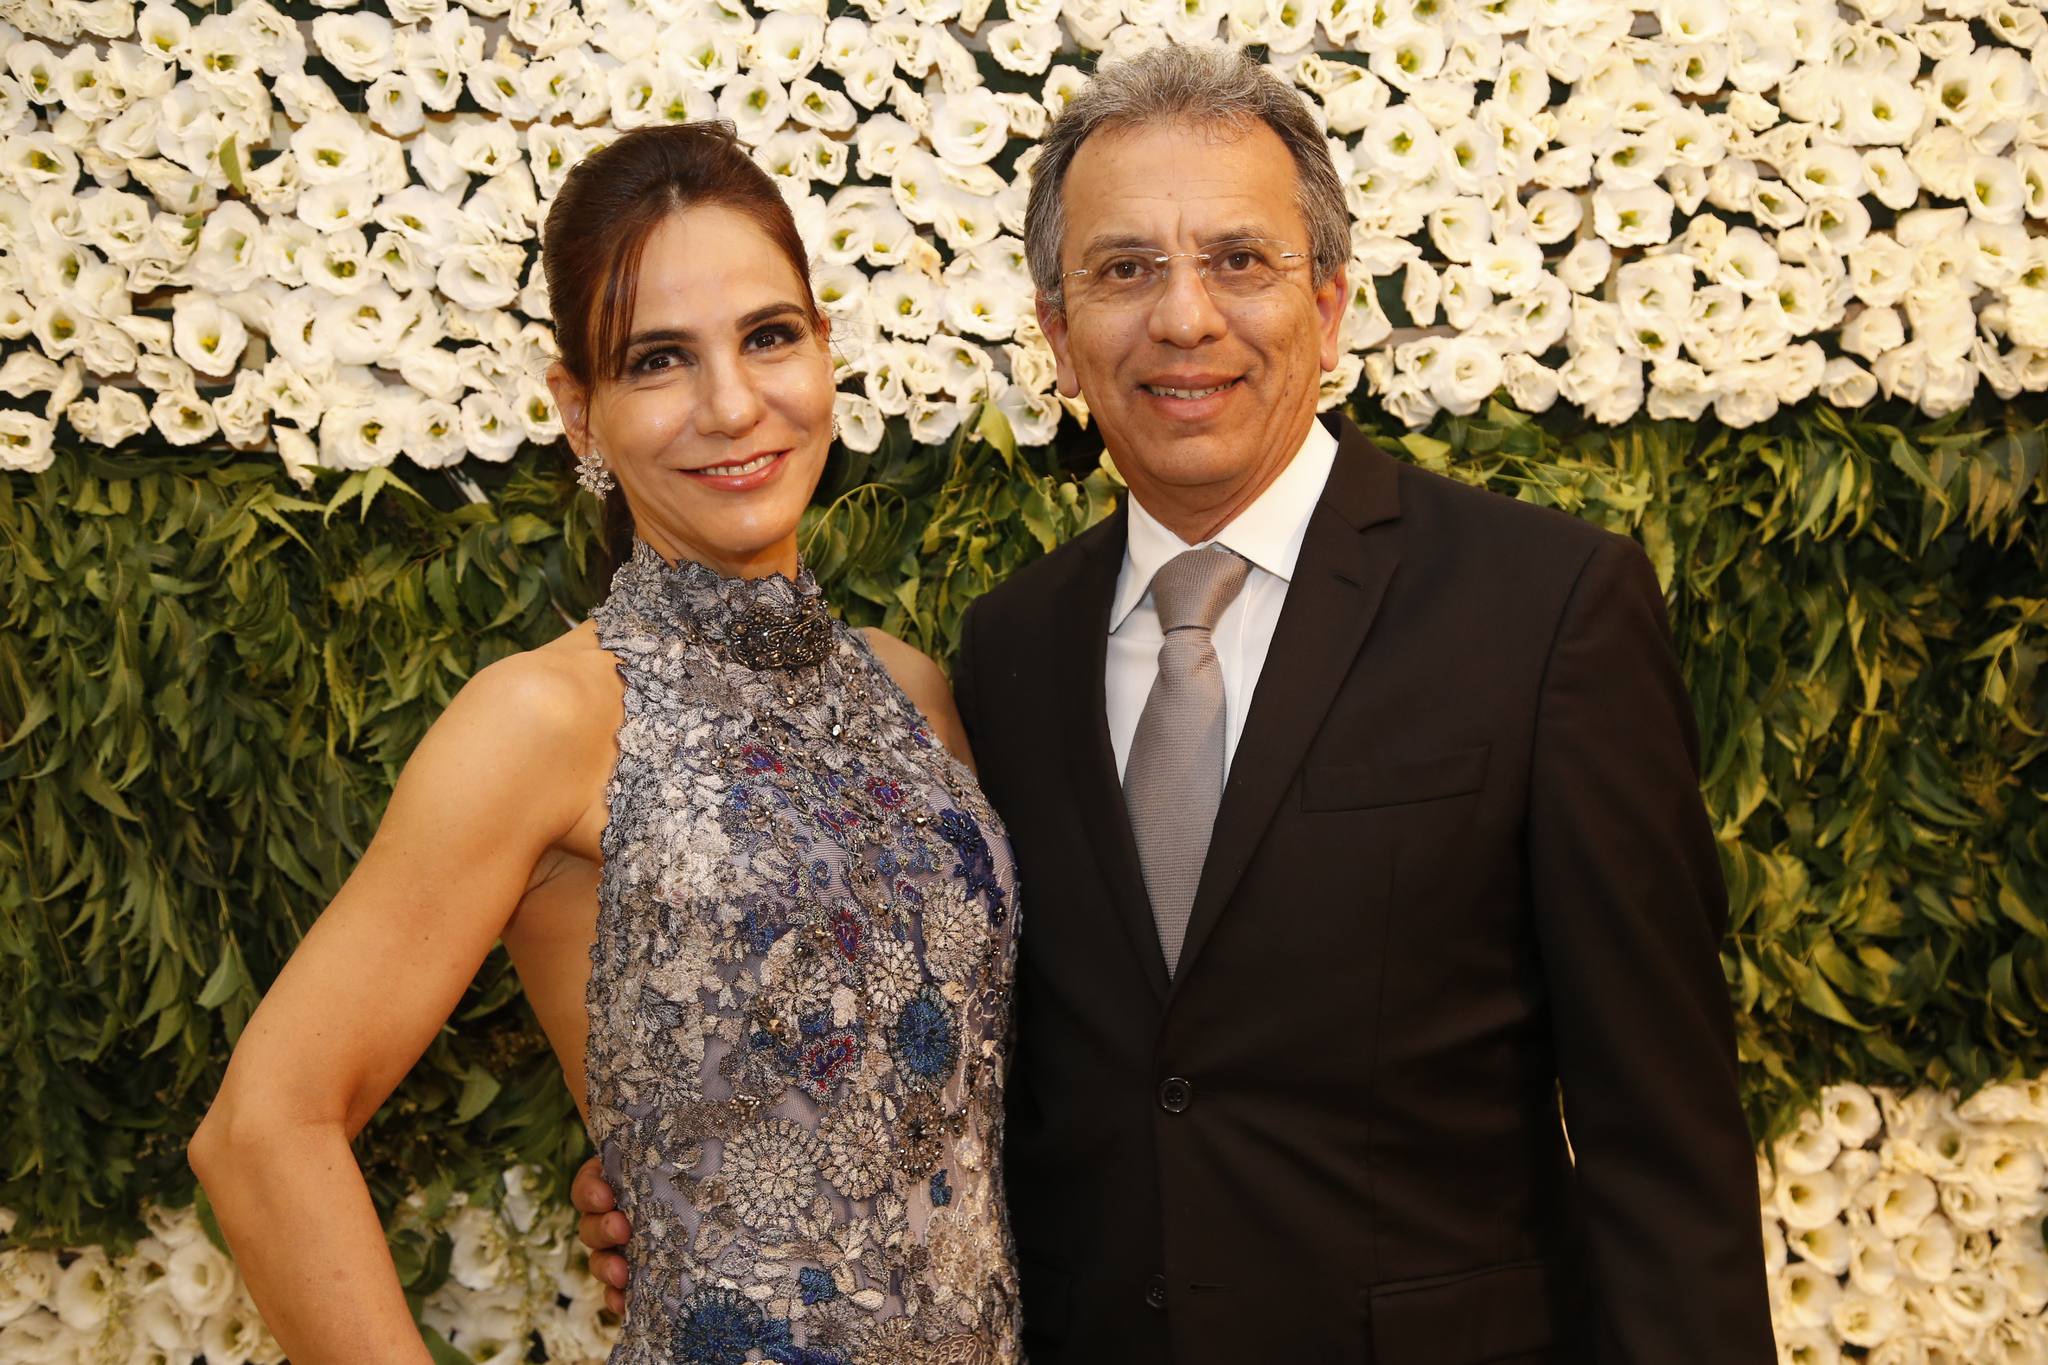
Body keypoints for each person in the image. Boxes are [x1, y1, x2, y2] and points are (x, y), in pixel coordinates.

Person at [575, 47, 1777, 1364]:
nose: (1184, 318)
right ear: (1059, 338)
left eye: (1239, 261)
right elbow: (979, 1057)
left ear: (1329, 307)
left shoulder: (1542, 611)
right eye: (1125, 269)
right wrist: (708, 1159)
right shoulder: (1009, 651)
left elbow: (1663, 1145)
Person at [189, 122, 1023, 1365]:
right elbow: (262, 1130)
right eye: (656, 360)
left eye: (768, 336)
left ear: (825, 351)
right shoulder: (543, 720)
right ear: (578, 412)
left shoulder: (912, 688)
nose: (731, 404)